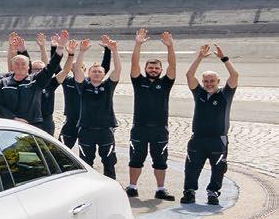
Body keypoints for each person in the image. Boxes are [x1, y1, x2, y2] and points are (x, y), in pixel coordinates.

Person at [182, 44, 238, 205]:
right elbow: (189, 75)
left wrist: (224, 58)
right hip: (198, 138)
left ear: (218, 81)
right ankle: (189, 192)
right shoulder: (199, 93)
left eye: (212, 81)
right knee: (192, 166)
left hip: (218, 139)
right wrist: (199, 57)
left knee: (219, 167)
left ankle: (213, 193)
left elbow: (234, 75)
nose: (209, 83)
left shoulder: (225, 94)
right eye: (206, 81)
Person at [128, 30, 177, 200]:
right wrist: (138, 44)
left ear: (161, 70)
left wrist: (170, 46)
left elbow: (173, 66)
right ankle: (132, 187)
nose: (154, 70)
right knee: (136, 159)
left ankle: (160, 189)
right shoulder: (138, 81)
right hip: (139, 128)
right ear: (146, 69)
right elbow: (134, 63)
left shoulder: (166, 83)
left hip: (160, 129)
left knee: (161, 161)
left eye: (157, 68)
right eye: (151, 67)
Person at [68, 37, 122, 178]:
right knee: (86, 162)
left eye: (99, 71)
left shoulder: (108, 85)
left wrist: (115, 51)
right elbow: (77, 69)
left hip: (106, 129)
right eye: (94, 71)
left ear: (104, 74)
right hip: (86, 129)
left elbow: (118, 69)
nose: (97, 73)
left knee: (109, 161)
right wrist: (82, 51)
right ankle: (88, 185)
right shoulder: (83, 86)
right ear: (89, 74)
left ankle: (111, 184)